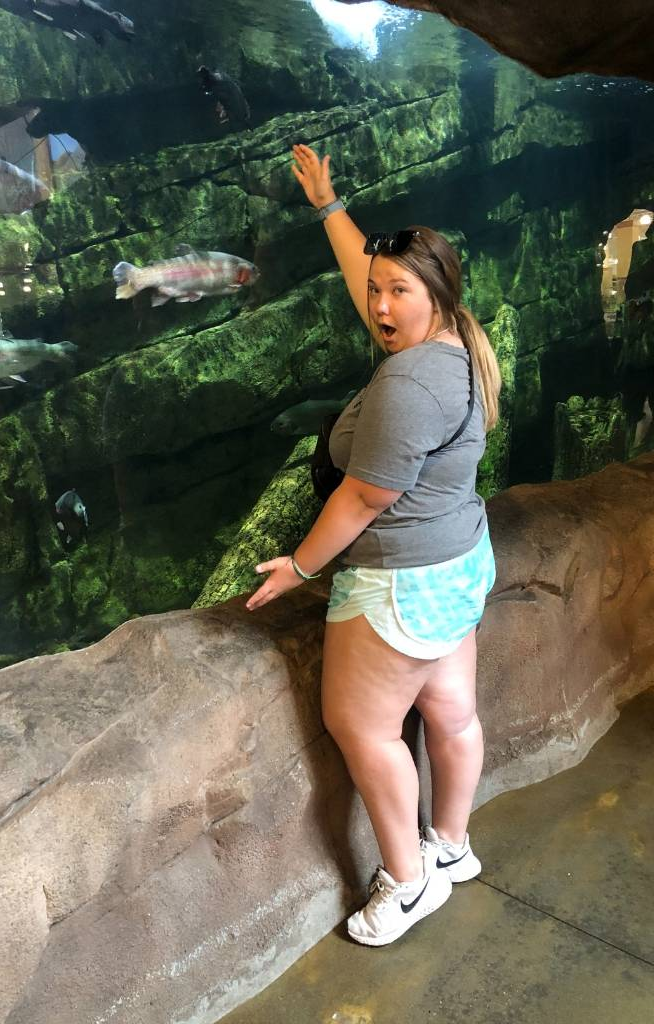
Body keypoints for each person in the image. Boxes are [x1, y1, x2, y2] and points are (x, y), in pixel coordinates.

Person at [246, 143, 502, 947]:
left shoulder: (410, 384)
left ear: (436, 294)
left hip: (400, 580)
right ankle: (452, 844)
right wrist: (330, 206)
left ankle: (409, 879)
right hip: (459, 560)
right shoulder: (457, 341)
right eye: (376, 291)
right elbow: (375, 273)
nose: (381, 307)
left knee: (360, 726)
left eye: (398, 292)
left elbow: (364, 496)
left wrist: (300, 566)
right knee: (452, 714)